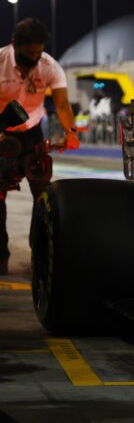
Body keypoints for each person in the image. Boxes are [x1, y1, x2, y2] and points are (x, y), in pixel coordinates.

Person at [0, 18, 79, 274]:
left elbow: (62, 104)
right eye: (28, 53)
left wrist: (71, 132)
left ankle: (41, 253)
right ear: (15, 45)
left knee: (44, 196)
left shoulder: (50, 66)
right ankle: (0, 256)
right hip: (2, 133)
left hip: (33, 134)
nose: (34, 58)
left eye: (38, 53)